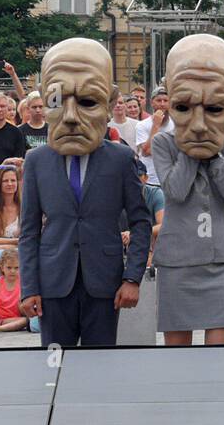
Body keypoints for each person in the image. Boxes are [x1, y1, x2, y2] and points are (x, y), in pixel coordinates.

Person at [19, 38, 152, 348]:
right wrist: (30, 287)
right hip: (54, 284)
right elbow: (28, 232)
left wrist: (132, 278)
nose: (69, 116)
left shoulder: (120, 159)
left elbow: (140, 221)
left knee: (100, 368)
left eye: (88, 102)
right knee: (54, 368)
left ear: (108, 104)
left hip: (104, 284)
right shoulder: (36, 161)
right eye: (56, 100)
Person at [150, 34, 224, 346]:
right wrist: (191, 150)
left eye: (214, 108)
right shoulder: (163, 143)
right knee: (178, 357)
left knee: (218, 357)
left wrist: (215, 155)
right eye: (185, 106)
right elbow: (175, 191)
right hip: (178, 259)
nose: (199, 122)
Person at [0, 249, 31, 333]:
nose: (12, 271)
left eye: (16, 268)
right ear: (2, 267)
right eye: (9, 267)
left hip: (12, 318)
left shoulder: (22, 281)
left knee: (25, 320)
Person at [134, 86, 172, 186]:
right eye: (159, 100)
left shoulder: (177, 124)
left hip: (171, 180)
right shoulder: (142, 125)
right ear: (152, 103)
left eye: (165, 100)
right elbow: (146, 152)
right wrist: (155, 125)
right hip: (151, 181)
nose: (162, 104)